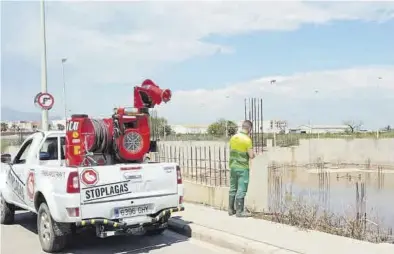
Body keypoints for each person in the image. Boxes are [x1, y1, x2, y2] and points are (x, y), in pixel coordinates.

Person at [228, 120, 255, 217]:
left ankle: (231, 210)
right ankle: (239, 211)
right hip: (243, 168)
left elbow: (232, 150)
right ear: (249, 129)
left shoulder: (233, 137)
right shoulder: (247, 140)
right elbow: (251, 155)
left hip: (233, 167)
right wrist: (253, 154)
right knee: (241, 189)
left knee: (233, 188)